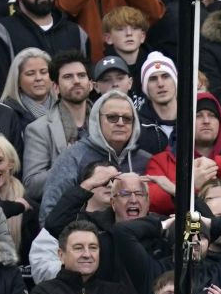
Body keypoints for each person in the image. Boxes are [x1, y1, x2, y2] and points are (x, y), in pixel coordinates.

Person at [39, 91, 155, 222]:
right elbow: (49, 211)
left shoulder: (146, 160)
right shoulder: (73, 157)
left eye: (127, 118)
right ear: (96, 119)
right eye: (112, 117)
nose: (121, 123)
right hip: (84, 238)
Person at [22, 52, 91, 203]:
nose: (76, 81)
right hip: (63, 209)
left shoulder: (106, 122)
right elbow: (32, 186)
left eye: (81, 75)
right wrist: (68, 162)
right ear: (55, 87)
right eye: (68, 77)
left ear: (90, 84)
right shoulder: (38, 129)